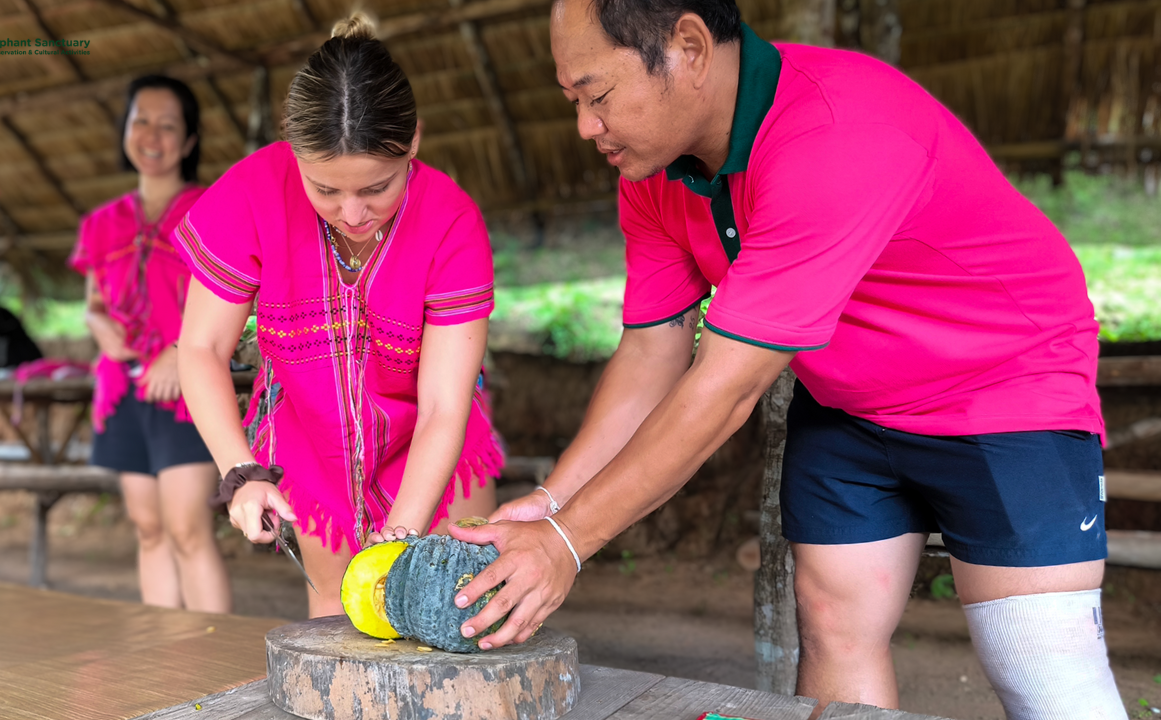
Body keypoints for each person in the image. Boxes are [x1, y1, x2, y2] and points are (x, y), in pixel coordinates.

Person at [449, 1, 1125, 718]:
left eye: (598, 95)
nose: (585, 125)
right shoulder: (651, 173)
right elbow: (654, 351)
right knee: (835, 627)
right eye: (573, 101)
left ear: (689, 47)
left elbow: (726, 389)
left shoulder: (836, 131)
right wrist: (552, 504)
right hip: (849, 402)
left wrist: (565, 544)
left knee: (1038, 663)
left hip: (1002, 383)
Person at [173, 12, 501, 617]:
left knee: (454, 619)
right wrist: (241, 472)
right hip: (309, 447)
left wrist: (400, 534)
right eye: (325, 189)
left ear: (414, 142)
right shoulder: (251, 193)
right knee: (339, 624)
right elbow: (200, 349)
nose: (352, 213)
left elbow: (443, 406)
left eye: (377, 186)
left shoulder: (452, 220)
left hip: (434, 448)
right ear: (294, 154)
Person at [69, 75, 231, 613]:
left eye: (168, 125)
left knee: (188, 530)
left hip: (188, 391)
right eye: (142, 121)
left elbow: (240, 300)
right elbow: (93, 303)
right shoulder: (100, 224)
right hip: (121, 390)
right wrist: (99, 329)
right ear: (125, 131)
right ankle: (166, 661)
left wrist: (180, 351)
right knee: (147, 528)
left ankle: (213, 670)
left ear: (188, 142)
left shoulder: (213, 209)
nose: (153, 135)